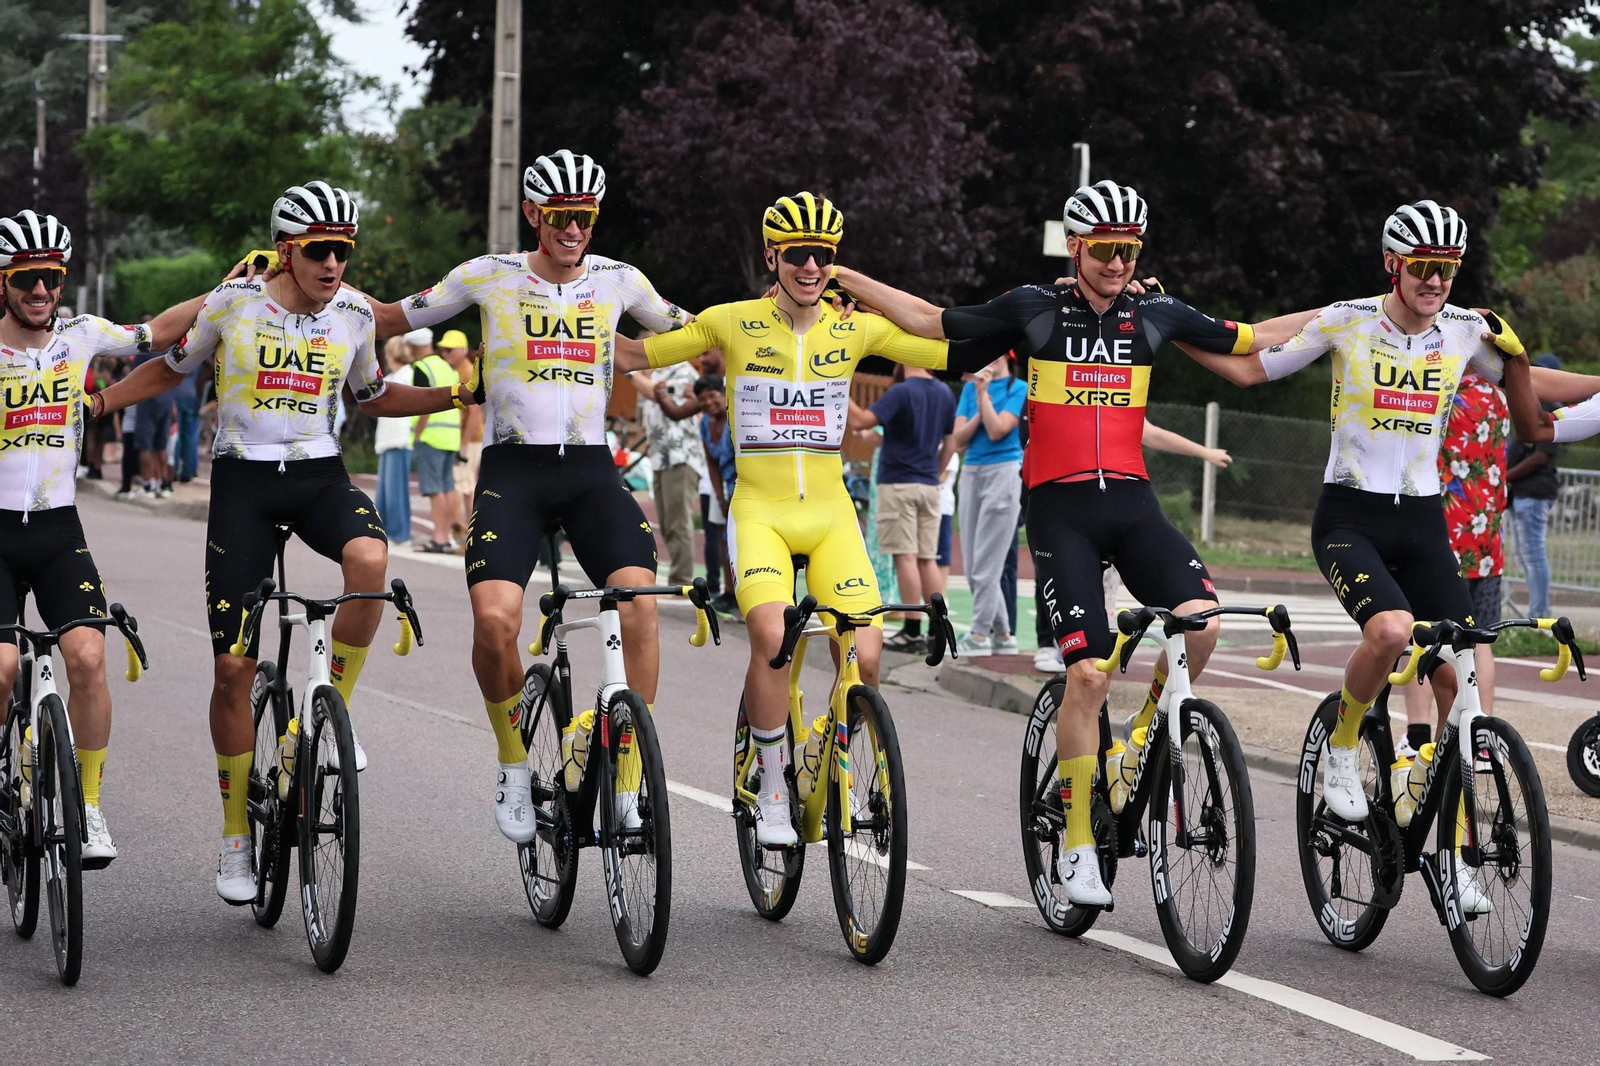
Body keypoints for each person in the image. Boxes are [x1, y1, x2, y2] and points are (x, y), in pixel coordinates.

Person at [830, 179, 1313, 904]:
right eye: (1106, 250)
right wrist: (846, 278)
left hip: (1132, 502)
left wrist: (1347, 315)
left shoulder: (1153, 314)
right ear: (1078, 247)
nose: (1118, 263)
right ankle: (1080, 843)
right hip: (1058, 509)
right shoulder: (1034, 308)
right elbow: (933, 322)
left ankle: (1146, 738)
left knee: (1203, 625)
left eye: (1129, 250)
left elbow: (1252, 341)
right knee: (1087, 675)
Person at [1174, 199, 1598, 901]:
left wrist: (1559, 368)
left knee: (1465, 691)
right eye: (1424, 267)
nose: (1435, 281)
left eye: (1448, 268)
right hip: (1351, 519)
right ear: (1392, 264)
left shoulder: (1465, 332)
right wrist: (1167, 327)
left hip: (1424, 523)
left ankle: (1456, 855)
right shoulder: (1349, 320)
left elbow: (1537, 400)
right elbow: (1251, 369)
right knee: (1393, 631)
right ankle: (1342, 747)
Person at [93, 181, 477, 901]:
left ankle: (335, 708)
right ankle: (236, 836)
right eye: (320, 251)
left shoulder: (357, 314)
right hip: (243, 484)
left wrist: (456, 394)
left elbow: (371, 396)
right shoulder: (233, 305)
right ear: (286, 251)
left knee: (371, 558)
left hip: (319, 477)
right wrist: (98, 403)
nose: (335, 264)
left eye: (344, 251)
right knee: (233, 670)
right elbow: (167, 369)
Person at [612, 191, 1003, 846]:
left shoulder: (855, 328)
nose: (812, 268)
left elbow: (946, 345)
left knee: (868, 657)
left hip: (829, 515)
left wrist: (1023, 334)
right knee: (772, 636)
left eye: (825, 257)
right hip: (761, 510)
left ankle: (831, 749)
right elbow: (634, 356)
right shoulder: (730, 322)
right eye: (799, 255)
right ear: (773, 256)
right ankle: (769, 787)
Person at [362, 150, 688, 844]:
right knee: (495, 622)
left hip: (593, 472)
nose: (575, 230)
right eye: (562, 217)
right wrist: (304, 292)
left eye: (586, 217)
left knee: (639, 604)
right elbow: (392, 315)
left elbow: (691, 329)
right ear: (536, 215)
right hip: (514, 473)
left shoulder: (618, 280)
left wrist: (769, 323)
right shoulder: (489, 275)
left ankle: (627, 778)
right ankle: (514, 764)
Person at [0, 209, 213, 864]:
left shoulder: (82, 335)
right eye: (28, 278)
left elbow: (155, 333)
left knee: (89, 659)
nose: (41, 292)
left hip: (59, 527)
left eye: (52, 278)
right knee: (4, 666)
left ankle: (87, 807)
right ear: (4, 280)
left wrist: (227, 290)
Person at [1029, 419, 1232, 672]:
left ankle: (1145, 698)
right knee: (1067, 590)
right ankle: (1052, 646)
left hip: (1125, 510)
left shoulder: (1123, 399)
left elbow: (1152, 433)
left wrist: (1205, 453)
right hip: (1064, 510)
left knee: (1108, 608)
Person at [1402, 369, 1508, 739]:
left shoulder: (1439, 393)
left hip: (1438, 535)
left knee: (1419, 634)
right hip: (1485, 540)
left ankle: (1418, 734)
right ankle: (1480, 733)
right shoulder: (1498, 397)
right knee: (1478, 639)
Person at [847, 365, 955, 654]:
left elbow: (859, 421)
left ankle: (911, 630)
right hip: (929, 484)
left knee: (905, 557)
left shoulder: (901, 391)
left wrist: (837, 387)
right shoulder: (944, 391)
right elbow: (950, 441)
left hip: (897, 482)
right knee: (927, 558)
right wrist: (936, 470)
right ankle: (936, 628)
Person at [952, 352, 1027, 656]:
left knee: (987, 563)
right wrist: (980, 399)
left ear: (1009, 358)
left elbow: (999, 430)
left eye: (998, 354)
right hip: (971, 471)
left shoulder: (1018, 387)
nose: (990, 359)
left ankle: (980, 635)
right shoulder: (970, 389)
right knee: (972, 563)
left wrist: (984, 395)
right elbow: (958, 438)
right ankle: (1004, 635)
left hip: (1004, 471)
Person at [632, 352, 706, 587]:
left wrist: (630, 371)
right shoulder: (658, 372)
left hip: (681, 455)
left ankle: (682, 578)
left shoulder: (684, 372)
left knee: (678, 519)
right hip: (661, 455)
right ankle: (677, 575)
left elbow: (657, 395)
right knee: (665, 519)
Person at [1505, 352, 1562, 619]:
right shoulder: (1531, 403)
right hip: (1523, 492)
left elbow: (1540, 456)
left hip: (1534, 491)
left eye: (1540, 371)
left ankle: (1541, 613)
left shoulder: (1550, 407)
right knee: (1526, 554)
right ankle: (1537, 611)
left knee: (1534, 554)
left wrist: (1506, 476)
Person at [405, 328, 462, 553]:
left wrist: (417, 435)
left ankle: (438, 539)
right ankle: (449, 536)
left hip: (431, 436)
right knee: (448, 487)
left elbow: (424, 403)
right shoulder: (447, 367)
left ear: (414, 347)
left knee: (434, 490)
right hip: (451, 436)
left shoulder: (421, 367)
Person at [696, 374, 737, 613]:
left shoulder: (735, 417)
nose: (709, 403)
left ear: (723, 394)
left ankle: (743, 596)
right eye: (703, 399)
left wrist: (733, 496)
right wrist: (721, 497)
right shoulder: (705, 423)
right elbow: (711, 462)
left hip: (743, 483)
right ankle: (729, 592)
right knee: (723, 539)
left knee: (737, 541)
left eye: (712, 396)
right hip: (723, 484)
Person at [373, 334, 416, 545]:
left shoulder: (408, 375)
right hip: (387, 439)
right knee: (384, 492)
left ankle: (400, 533)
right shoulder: (392, 377)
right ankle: (385, 531)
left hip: (400, 438)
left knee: (396, 490)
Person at [441, 330, 484, 525]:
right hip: (464, 436)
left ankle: (465, 531)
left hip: (471, 437)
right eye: (443, 350)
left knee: (462, 484)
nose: (445, 354)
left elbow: (475, 411)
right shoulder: (455, 371)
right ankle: (464, 531)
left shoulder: (467, 371)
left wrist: (464, 444)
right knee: (464, 484)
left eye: (450, 350)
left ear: (463, 350)